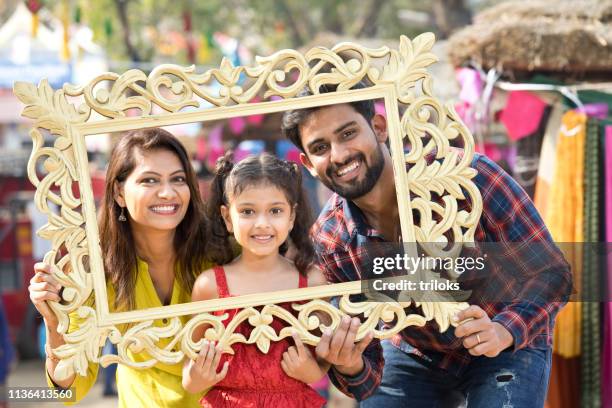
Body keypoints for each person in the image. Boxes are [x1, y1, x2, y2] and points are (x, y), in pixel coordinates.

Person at [281, 84, 573, 407]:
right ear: (308, 163)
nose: (339, 155)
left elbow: (552, 272)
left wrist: (505, 329)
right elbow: (367, 368)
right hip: (414, 351)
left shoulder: (465, 177)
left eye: (348, 133)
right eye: (321, 147)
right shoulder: (331, 239)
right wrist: (352, 365)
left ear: (379, 127)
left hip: (505, 339)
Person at [28, 128, 211, 407]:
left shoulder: (221, 253)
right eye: (150, 180)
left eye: (178, 179)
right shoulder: (95, 273)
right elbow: (68, 389)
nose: (168, 192)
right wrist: (54, 324)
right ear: (119, 193)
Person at [182, 153, 328, 408]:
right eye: (248, 211)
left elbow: (321, 366)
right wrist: (198, 376)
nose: (262, 223)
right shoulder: (210, 286)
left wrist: (309, 371)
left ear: (291, 216)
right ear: (228, 217)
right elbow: (190, 377)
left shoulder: (311, 282)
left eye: (275, 211)